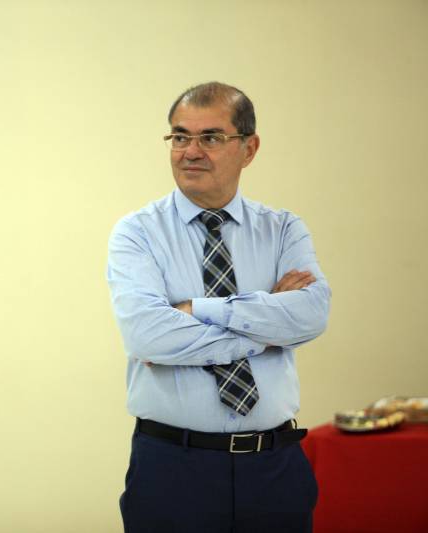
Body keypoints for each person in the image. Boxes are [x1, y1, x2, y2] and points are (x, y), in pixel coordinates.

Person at [107, 82, 330, 533]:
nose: (190, 151)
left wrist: (195, 309)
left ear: (249, 148)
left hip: (274, 468)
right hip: (173, 468)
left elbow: (311, 315)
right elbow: (148, 337)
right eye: (180, 137)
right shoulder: (137, 233)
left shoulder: (283, 230)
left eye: (210, 137)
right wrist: (268, 326)